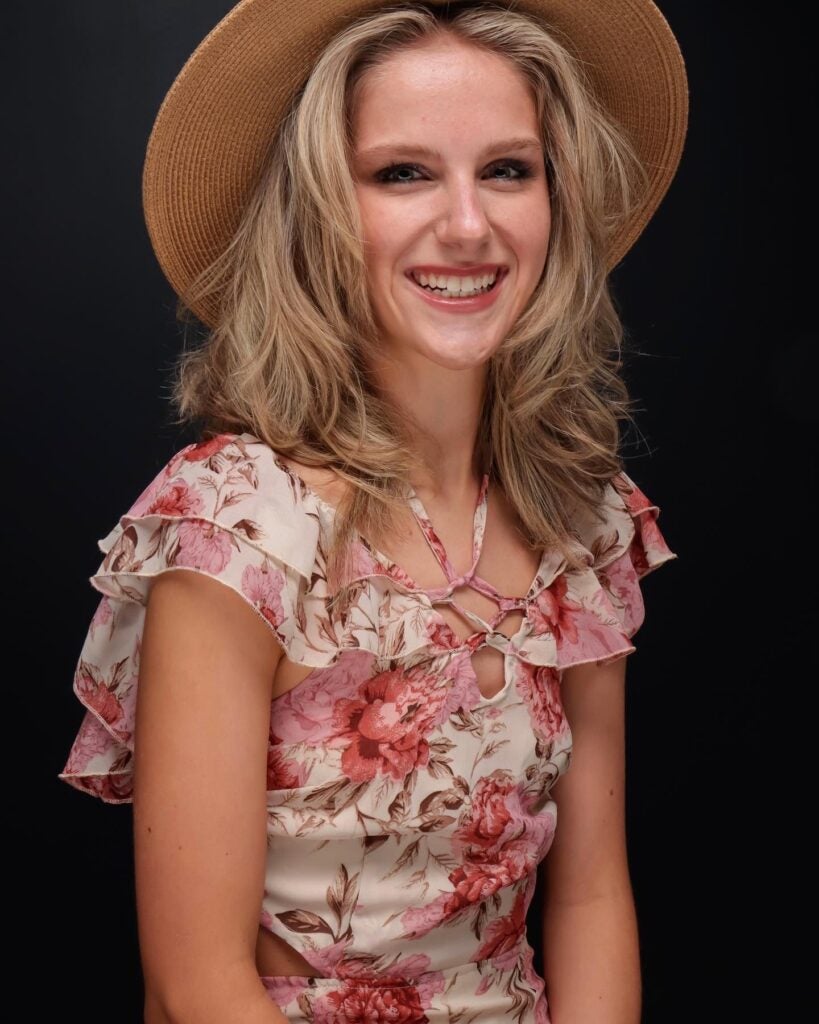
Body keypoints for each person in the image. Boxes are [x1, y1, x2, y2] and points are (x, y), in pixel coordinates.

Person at [58, 1, 687, 1021]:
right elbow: (191, 983)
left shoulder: (581, 520)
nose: (469, 225)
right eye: (403, 173)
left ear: (557, 199)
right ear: (321, 209)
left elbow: (591, 895)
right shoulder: (237, 525)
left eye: (507, 169)